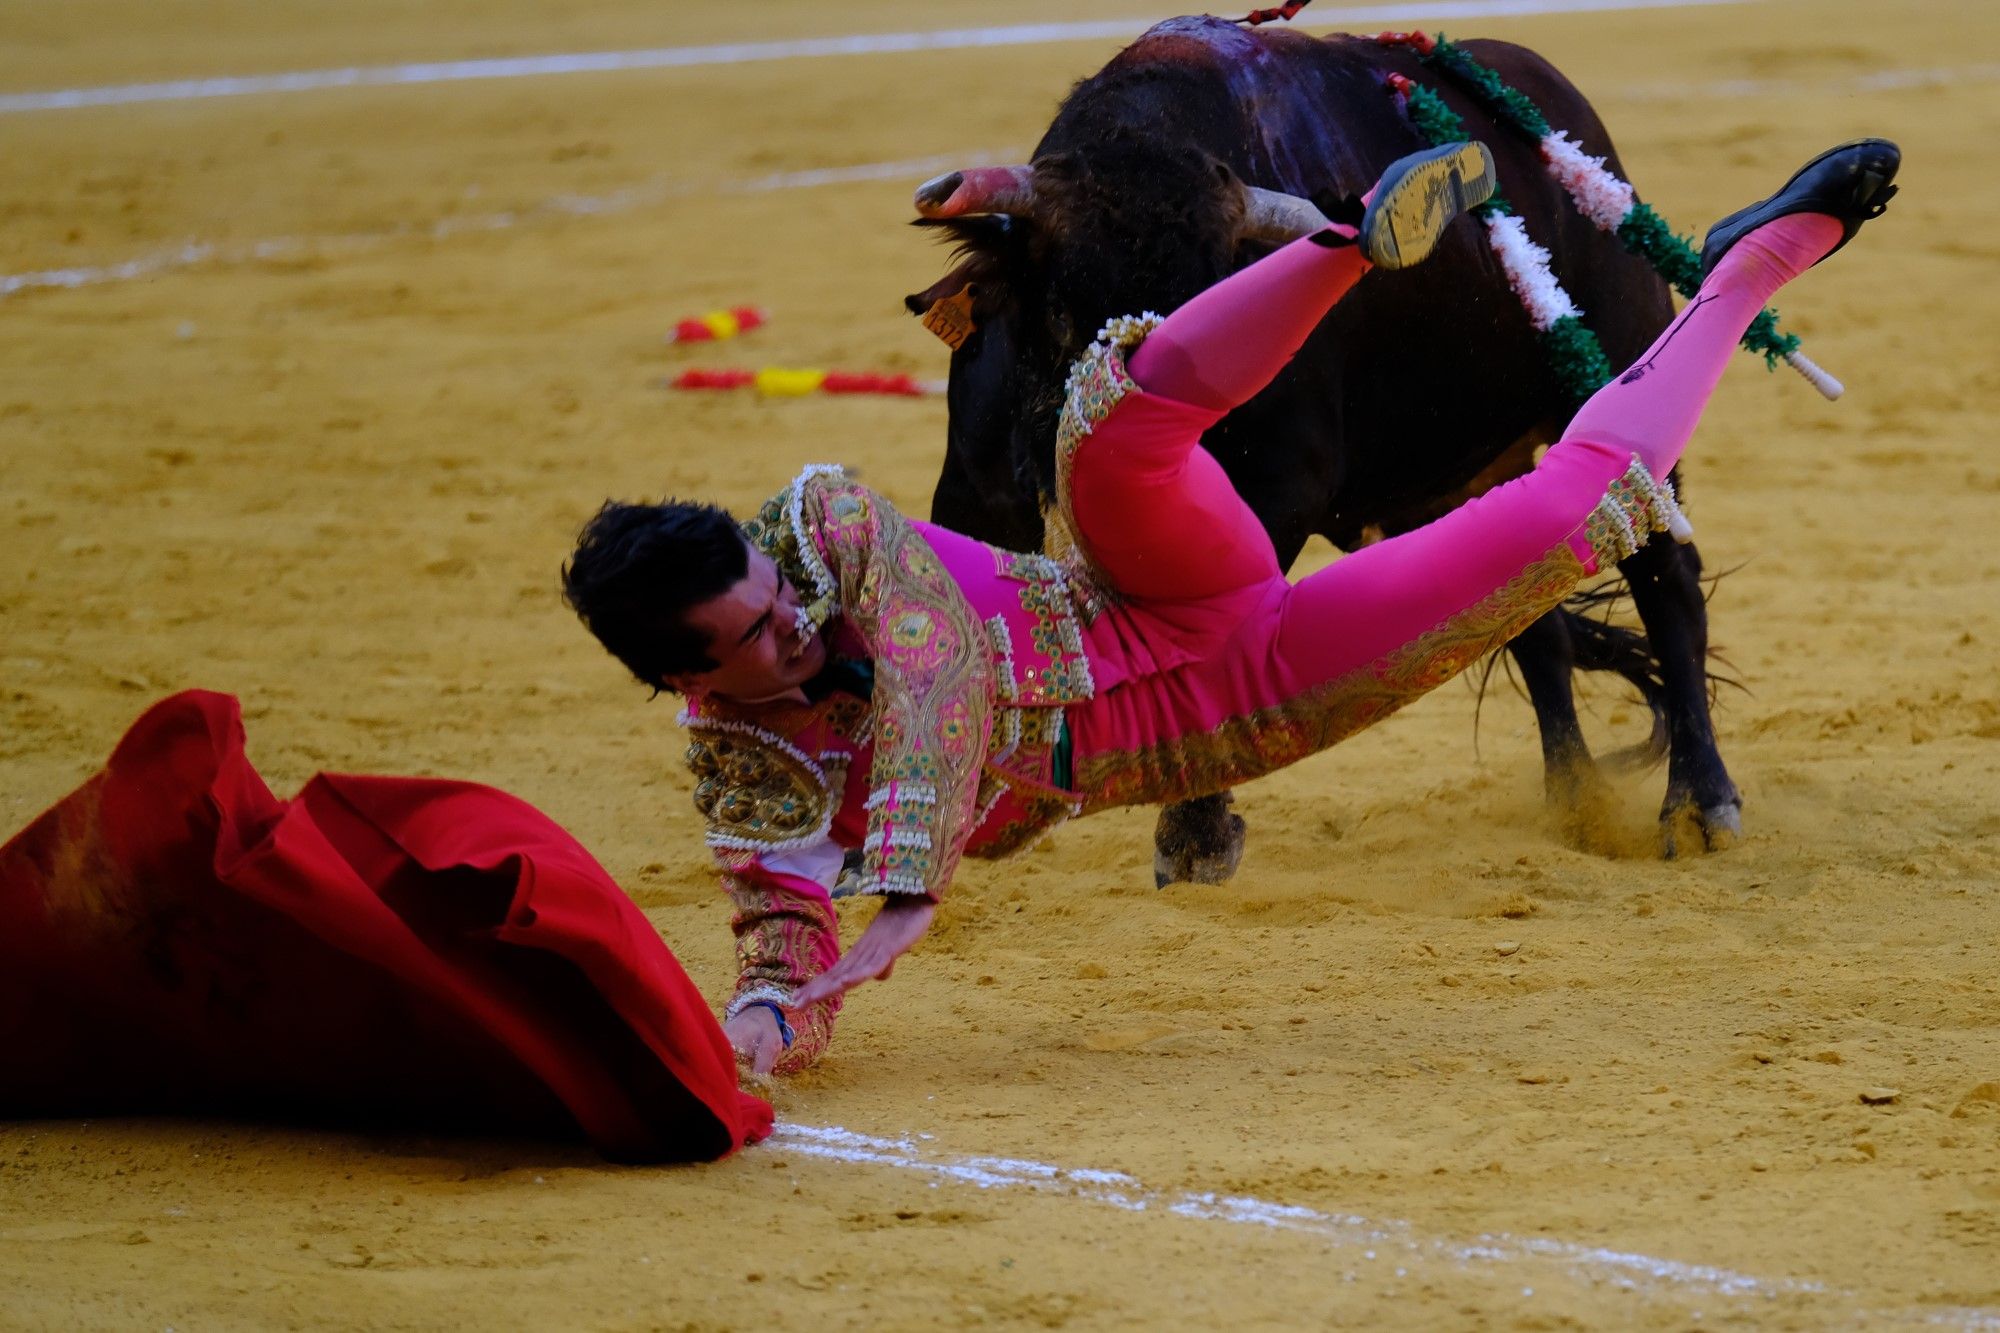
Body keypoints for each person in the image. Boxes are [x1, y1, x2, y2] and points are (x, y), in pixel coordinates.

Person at [562, 139, 1900, 1075]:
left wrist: (909, 885)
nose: (789, 623)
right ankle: (1744, 274)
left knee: (1113, 435)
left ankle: (1346, 239)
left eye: (766, 596)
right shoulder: (754, 785)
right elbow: (784, 954)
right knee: (1562, 518)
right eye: (753, 638)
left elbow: (934, 661)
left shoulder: (820, 529)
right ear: (686, 680)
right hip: (1238, 698)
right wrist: (758, 1032)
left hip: (1144, 581)